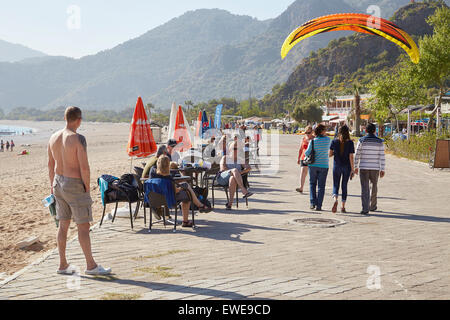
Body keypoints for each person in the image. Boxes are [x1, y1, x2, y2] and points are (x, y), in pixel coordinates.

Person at [48, 106, 111, 275]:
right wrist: (86, 188)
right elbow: (84, 167)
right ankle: (91, 266)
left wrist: (52, 187)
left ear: (65, 117)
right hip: (74, 183)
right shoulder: (76, 139)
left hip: (57, 182)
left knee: (63, 225)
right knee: (83, 227)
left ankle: (62, 265)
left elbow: (50, 165)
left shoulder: (53, 137)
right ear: (79, 120)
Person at [152, 156, 211, 227]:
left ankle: (199, 207)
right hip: (169, 200)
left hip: (154, 200)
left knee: (186, 189)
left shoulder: (152, 172)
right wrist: (181, 188)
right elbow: (176, 191)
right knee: (187, 193)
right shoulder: (168, 177)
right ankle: (197, 208)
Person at [354, 123, 386, 215]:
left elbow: (357, 154)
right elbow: (382, 156)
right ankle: (373, 206)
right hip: (375, 168)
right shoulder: (379, 142)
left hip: (363, 167)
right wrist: (382, 169)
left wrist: (355, 166)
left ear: (366, 131)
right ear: (375, 131)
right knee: (374, 186)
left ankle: (365, 208)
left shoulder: (361, 140)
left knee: (365, 188)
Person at [218, 141, 254, 210]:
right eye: (234, 149)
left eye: (238, 149)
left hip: (235, 179)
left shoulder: (240, 159)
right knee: (234, 170)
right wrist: (235, 172)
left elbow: (248, 168)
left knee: (233, 178)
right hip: (222, 178)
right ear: (229, 150)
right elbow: (223, 169)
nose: (236, 151)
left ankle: (229, 204)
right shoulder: (225, 158)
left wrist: (237, 174)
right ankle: (244, 190)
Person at [304, 124, 331, 211]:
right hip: (324, 165)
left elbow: (307, 153)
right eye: (325, 130)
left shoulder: (313, 141)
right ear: (322, 131)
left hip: (313, 165)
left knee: (312, 184)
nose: (326, 131)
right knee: (321, 186)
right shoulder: (327, 140)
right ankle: (319, 205)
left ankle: (312, 203)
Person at [329, 125, 355, 213]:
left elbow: (329, 154)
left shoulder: (334, 142)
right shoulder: (350, 143)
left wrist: (335, 153)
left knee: (336, 184)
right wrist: (353, 169)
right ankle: (343, 206)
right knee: (344, 186)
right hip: (346, 166)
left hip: (337, 166)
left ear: (339, 132)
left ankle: (335, 199)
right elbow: (351, 157)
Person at [296, 126, 313, 193]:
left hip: (312, 158)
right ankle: (301, 187)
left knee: (312, 173)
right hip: (304, 158)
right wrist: (298, 158)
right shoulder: (303, 138)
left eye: (309, 132)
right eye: (306, 132)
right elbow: (300, 149)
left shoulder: (314, 139)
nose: (307, 134)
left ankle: (313, 187)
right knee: (303, 171)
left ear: (312, 132)